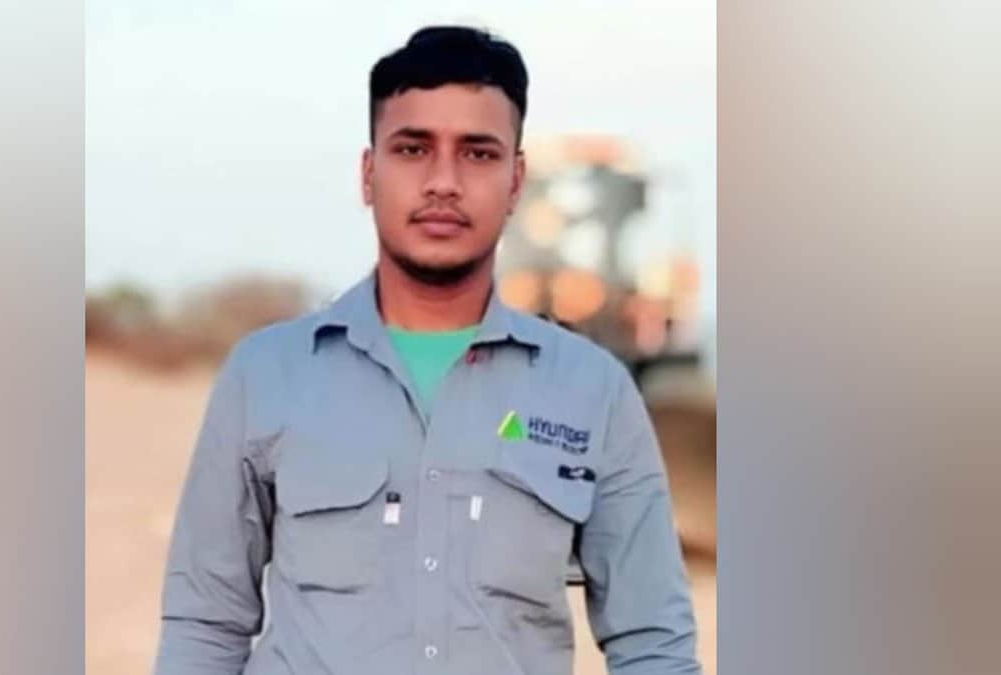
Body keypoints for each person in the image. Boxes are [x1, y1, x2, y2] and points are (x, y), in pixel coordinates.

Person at [153, 25, 699, 675]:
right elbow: (206, 625)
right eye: (413, 149)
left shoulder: (594, 391)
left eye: (478, 153)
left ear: (516, 180)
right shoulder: (266, 375)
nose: (443, 181)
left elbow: (653, 645)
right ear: (369, 174)